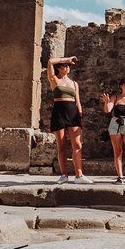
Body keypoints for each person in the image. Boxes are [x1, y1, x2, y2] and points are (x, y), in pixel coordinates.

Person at [46, 56, 93, 184]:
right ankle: (64, 175)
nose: (67, 67)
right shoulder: (54, 80)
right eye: (64, 65)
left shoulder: (74, 83)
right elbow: (50, 61)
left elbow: (78, 102)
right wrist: (66, 59)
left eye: (68, 66)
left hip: (72, 113)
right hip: (59, 112)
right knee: (61, 146)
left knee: (77, 145)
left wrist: (81, 117)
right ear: (59, 68)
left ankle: (79, 175)